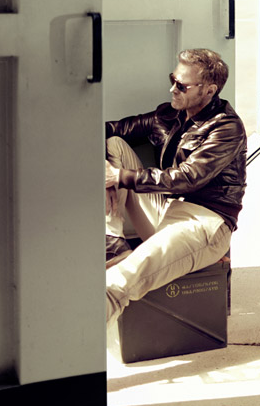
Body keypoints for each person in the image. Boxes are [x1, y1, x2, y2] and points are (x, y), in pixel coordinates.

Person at [104, 48, 247, 326]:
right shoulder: (167, 115)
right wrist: (108, 173)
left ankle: (72, 356)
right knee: (114, 147)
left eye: (182, 85)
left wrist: (119, 177)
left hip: (204, 223)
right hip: (166, 209)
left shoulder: (227, 128)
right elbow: (111, 129)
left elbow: (189, 177)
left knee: (119, 280)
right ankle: (113, 243)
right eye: (173, 78)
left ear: (209, 90)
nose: (173, 88)